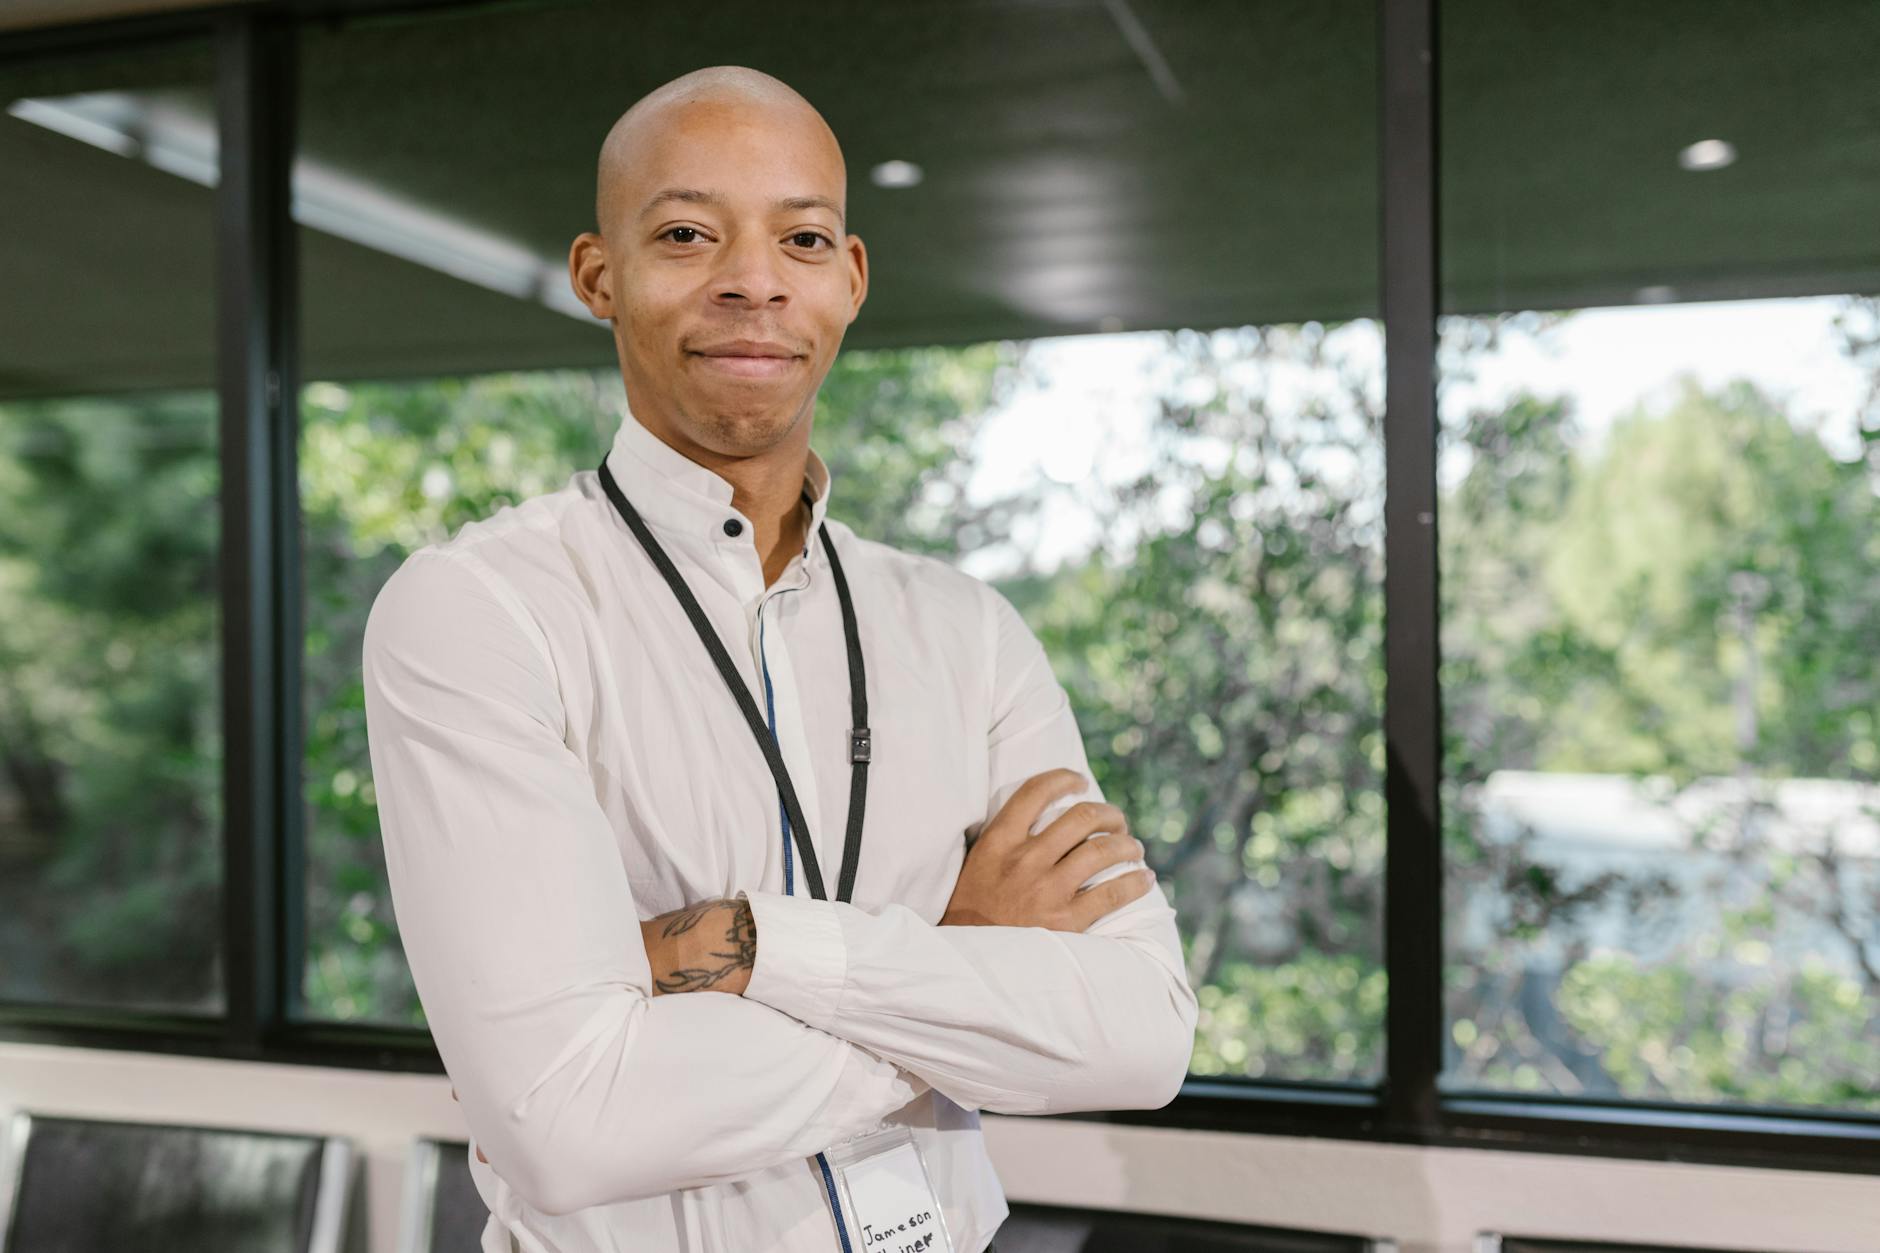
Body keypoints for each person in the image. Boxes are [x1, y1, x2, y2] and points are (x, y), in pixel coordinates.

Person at [361, 63, 1197, 1253]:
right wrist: (959, 960)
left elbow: (1141, 1032)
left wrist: (753, 948)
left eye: (800, 239)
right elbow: (569, 1118)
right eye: (686, 234)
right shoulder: (482, 608)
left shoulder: (964, 631)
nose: (752, 280)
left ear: (848, 279)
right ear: (599, 275)